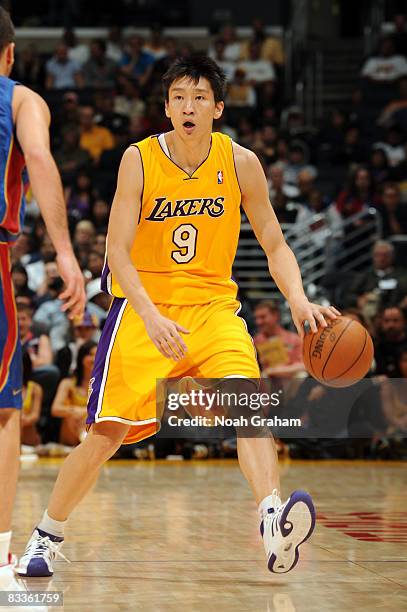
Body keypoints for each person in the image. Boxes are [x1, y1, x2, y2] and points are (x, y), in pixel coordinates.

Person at [17, 55, 339, 578]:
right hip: (145, 310)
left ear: (218, 106)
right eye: (179, 98)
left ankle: (273, 522)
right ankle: (46, 535)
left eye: (199, 97)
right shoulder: (138, 160)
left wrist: (299, 300)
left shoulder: (241, 163)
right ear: (166, 108)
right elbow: (117, 251)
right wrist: (149, 314)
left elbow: (275, 244)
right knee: (105, 435)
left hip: (214, 309)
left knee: (249, 408)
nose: (188, 107)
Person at [0, 7, 85, 573]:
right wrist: (64, 250)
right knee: (5, 408)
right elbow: (38, 157)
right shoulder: (21, 99)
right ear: (9, 53)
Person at [51, 341, 97, 447]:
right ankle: (84, 439)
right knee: (71, 416)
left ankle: (87, 439)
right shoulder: (67, 383)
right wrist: (75, 411)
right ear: (81, 358)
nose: (94, 359)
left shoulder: (105, 385)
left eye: (97, 355)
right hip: (71, 433)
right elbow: (55, 409)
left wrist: (85, 411)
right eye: (90, 355)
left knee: (90, 416)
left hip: (92, 426)